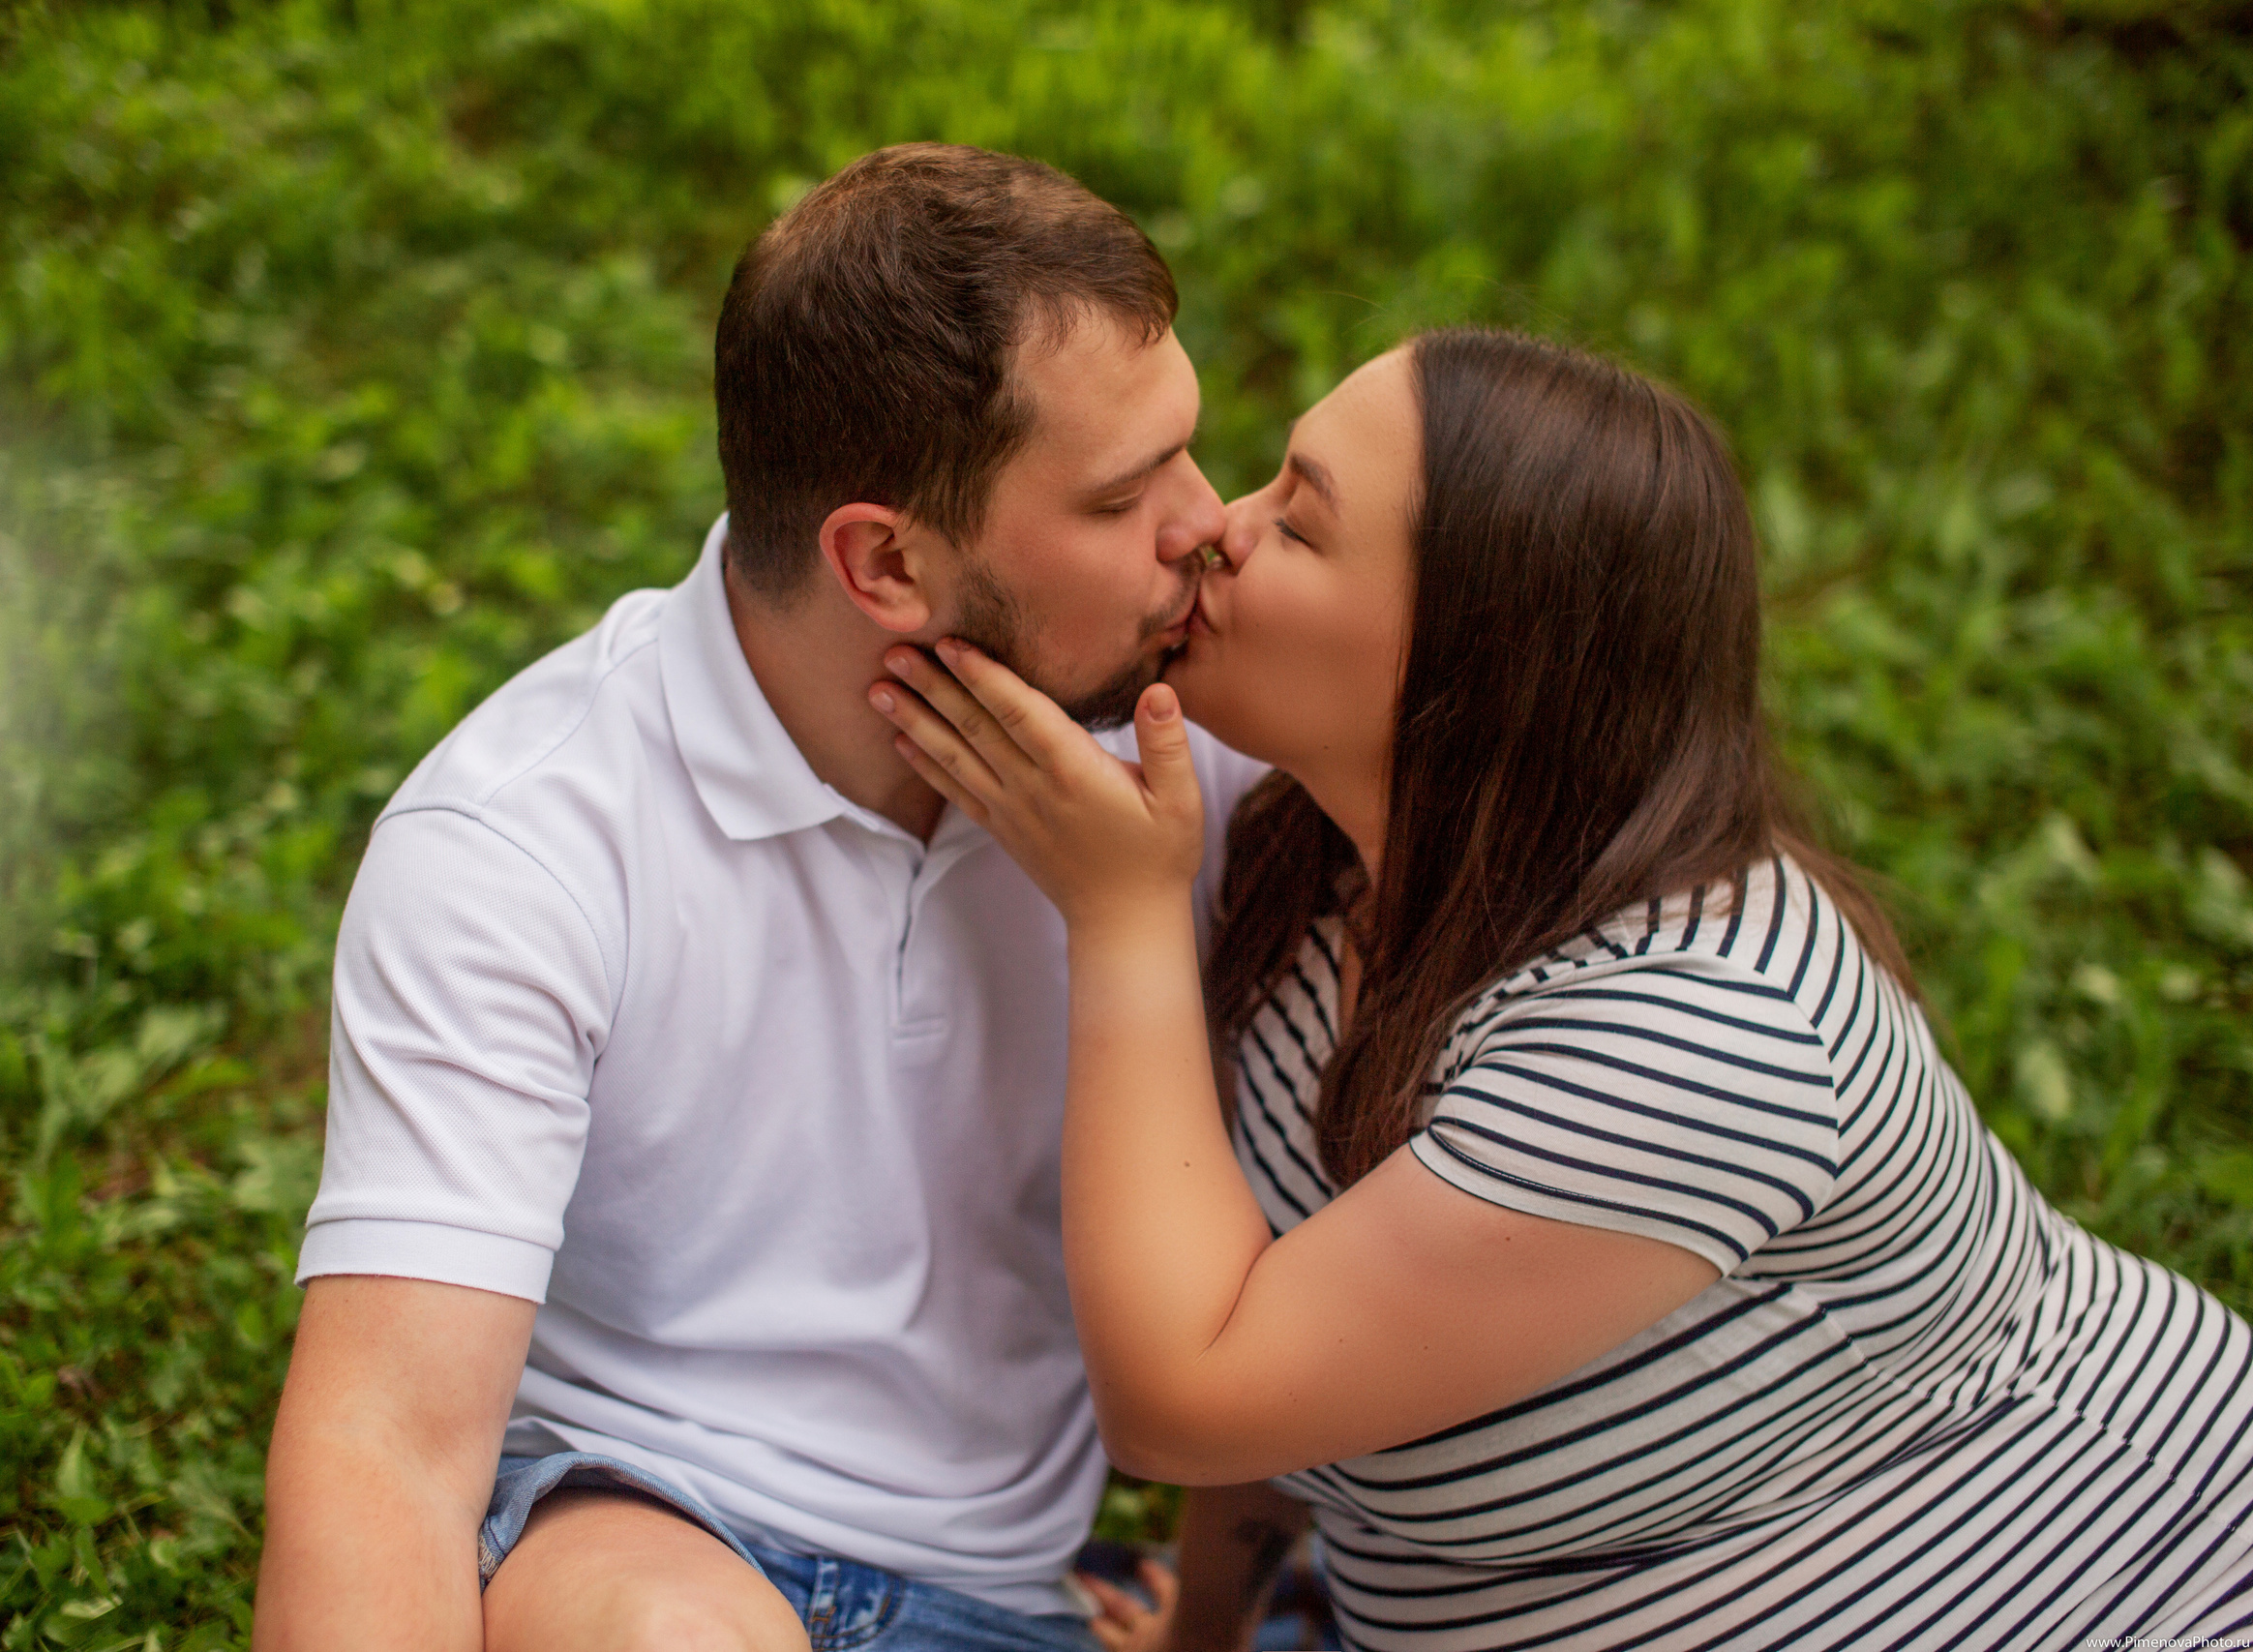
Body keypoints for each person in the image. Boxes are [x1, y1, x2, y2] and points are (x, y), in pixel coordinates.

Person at [871, 327, 2253, 1651]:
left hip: (2124, 1591)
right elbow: (1291, 1309)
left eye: (1300, 523)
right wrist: (1207, 1630)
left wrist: (1121, 914)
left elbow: (1191, 1394)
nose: (1215, 526)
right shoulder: (1327, 861)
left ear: (1474, 657)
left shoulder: (1695, 1040)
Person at [250, 144, 1267, 1652]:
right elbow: (384, 1450)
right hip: (647, 1531)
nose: (1207, 525)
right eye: (1124, 496)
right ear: (887, 564)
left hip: (1006, 1604)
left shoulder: (1200, 752)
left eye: (1190, 447)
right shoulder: (525, 838)